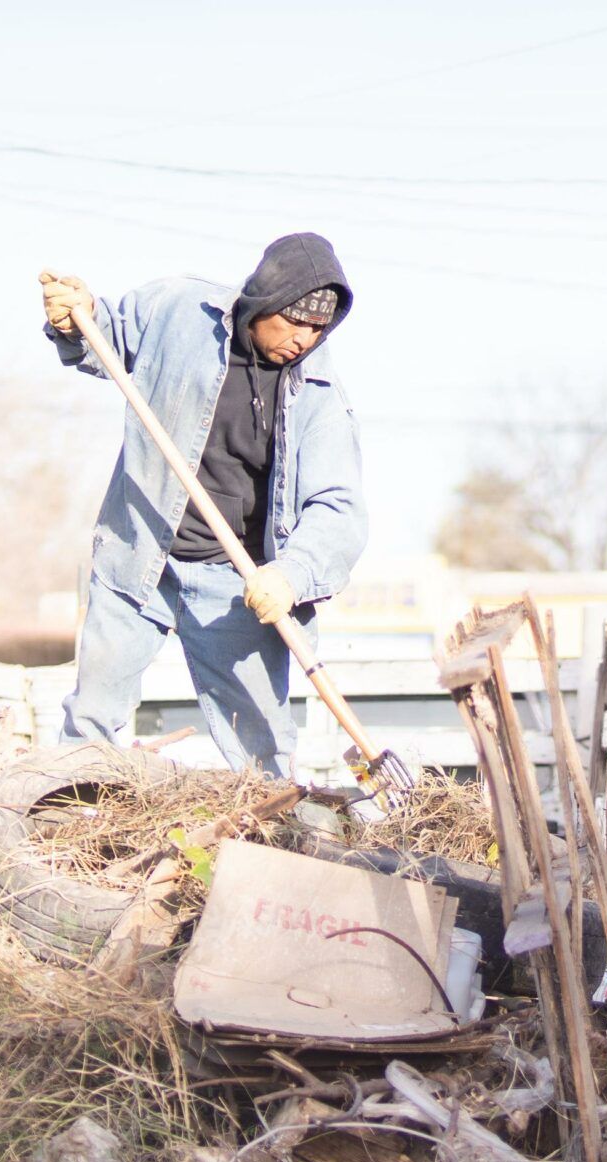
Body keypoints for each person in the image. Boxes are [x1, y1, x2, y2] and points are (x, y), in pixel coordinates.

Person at [40, 233, 366, 778]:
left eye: (318, 329)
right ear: (264, 302)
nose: (303, 340)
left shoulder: (321, 395)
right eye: (293, 322)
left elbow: (338, 507)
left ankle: (274, 847)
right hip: (141, 551)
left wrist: (291, 576)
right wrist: (76, 318)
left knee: (262, 755)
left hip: (236, 583)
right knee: (89, 721)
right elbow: (108, 339)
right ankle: (62, 816)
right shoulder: (178, 311)